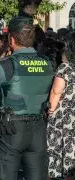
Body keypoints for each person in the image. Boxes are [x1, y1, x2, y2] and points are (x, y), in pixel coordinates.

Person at [0, 16, 54, 180]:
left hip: (11, 130)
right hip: (38, 128)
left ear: (12, 39)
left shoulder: (5, 66)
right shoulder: (47, 63)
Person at [47, 32, 75, 180]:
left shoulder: (65, 68)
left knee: (56, 154)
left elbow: (56, 92)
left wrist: (50, 111)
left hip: (64, 120)